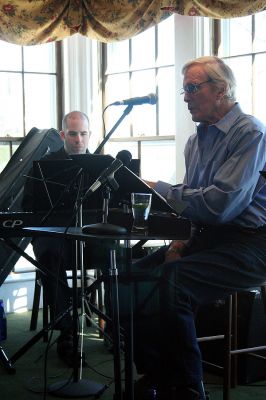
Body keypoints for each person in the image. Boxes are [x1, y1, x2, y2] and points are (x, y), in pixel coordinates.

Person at [131, 56, 266, 400]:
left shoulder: (250, 133)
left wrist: (157, 188)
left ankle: (189, 388)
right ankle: (156, 375)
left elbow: (221, 205)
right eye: (184, 90)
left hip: (252, 244)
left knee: (175, 283)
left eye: (192, 88)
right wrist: (178, 244)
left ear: (221, 90)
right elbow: (197, 208)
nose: (186, 97)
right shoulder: (196, 141)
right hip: (212, 238)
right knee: (133, 278)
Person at [22, 111, 92, 366]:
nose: (78, 140)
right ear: (63, 135)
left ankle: (116, 325)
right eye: (72, 134)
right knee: (50, 254)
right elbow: (29, 206)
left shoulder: (101, 164)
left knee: (116, 250)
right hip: (53, 236)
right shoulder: (44, 165)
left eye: (83, 134)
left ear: (89, 135)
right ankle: (67, 331)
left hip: (88, 237)